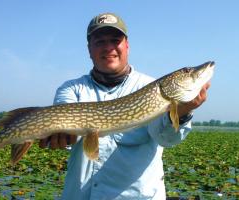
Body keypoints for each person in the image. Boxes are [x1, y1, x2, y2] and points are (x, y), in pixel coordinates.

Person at [40, 12, 210, 200]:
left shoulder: (149, 89)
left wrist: (183, 112)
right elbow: (63, 123)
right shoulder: (71, 89)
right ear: (89, 49)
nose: (109, 47)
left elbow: (166, 139)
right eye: (100, 42)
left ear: (127, 45)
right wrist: (61, 136)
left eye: (115, 40)